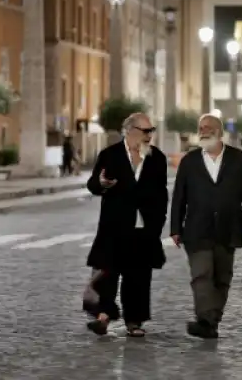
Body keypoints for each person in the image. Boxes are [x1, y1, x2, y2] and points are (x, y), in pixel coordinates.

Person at [170, 114, 242, 339]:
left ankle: (211, 322)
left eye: (209, 127)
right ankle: (204, 319)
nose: (204, 130)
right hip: (197, 229)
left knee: (222, 278)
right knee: (201, 275)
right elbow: (179, 197)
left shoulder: (238, 159)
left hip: (228, 228)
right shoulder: (189, 161)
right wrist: (175, 228)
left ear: (220, 132)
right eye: (201, 127)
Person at [84, 112, 169, 337]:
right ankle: (103, 317)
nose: (150, 135)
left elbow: (162, 195)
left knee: (138, 276)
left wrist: (157, 225)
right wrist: (101, 184)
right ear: (130, 131)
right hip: (114, 226)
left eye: (152, 130)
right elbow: (93, 184)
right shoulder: (109, 155)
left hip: (143, 229)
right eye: (146, 131)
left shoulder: (157, 158)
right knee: (108, 273)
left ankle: (135, 321)